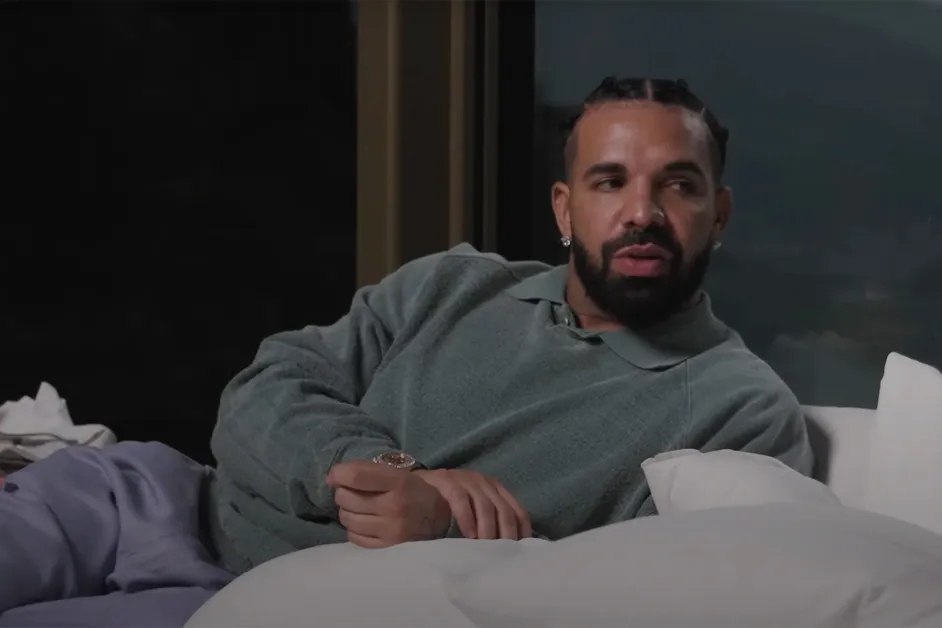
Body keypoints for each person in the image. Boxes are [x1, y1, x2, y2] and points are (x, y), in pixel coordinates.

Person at [0, 77, 812, 626]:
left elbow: (617, 600)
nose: (642, 212)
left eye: (677, 184)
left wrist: (443, 524)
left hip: (256, 603)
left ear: (718, 214)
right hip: (151, 497)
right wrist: (387, 470)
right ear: (565, 210)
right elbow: (264, 387)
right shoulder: (454, 284)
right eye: (610, 182)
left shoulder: (739, 409)